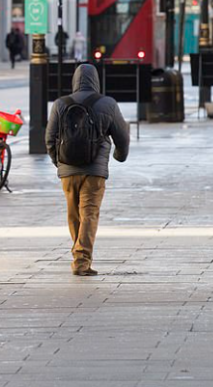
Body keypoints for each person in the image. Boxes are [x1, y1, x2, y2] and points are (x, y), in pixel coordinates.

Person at [45, 64, 130, 276]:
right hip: (95, 171)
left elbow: (50, 137)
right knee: (89, 213)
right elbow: (122, 136)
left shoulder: (60, 104)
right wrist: (120, 156)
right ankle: (81, 260)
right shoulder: (107, 104)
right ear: (96, 80)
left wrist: (59, 163)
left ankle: (79, 256)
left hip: (68, 171)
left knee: (74, 214)